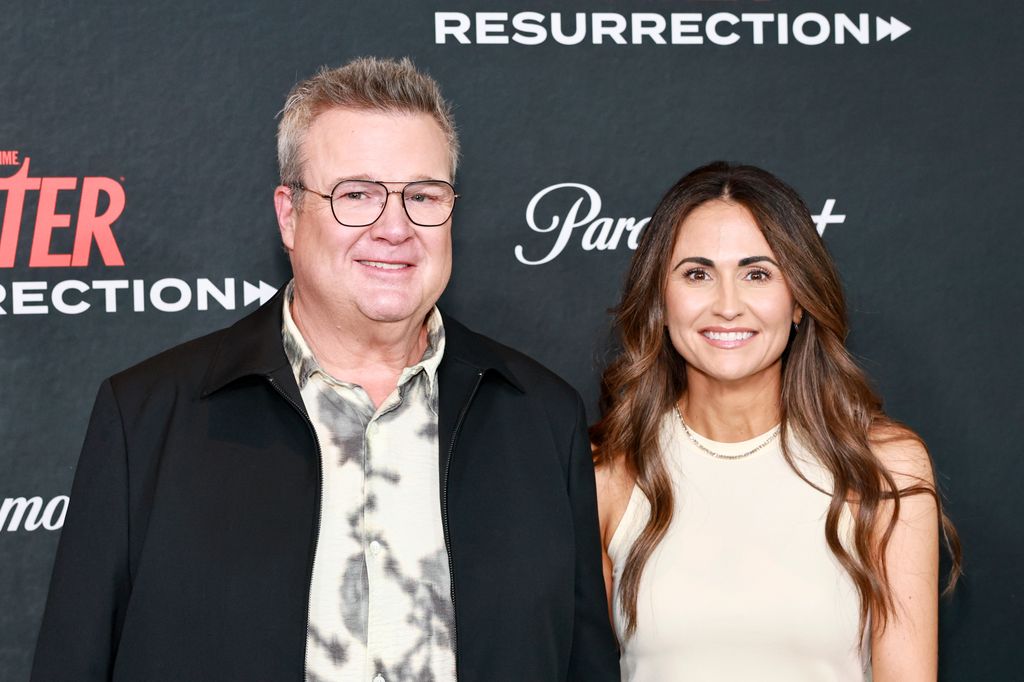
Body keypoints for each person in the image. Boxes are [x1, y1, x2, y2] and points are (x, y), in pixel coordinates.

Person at [32, 57, 619, 682]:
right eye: (356, 195)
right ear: (289, 215)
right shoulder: (148, 417)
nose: (394, 228)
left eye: (422, 196)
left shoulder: (540, 416)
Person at [591, 162, 961, 681]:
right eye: (698, 274)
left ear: (798, 302)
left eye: (757, 274)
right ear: (660, 300)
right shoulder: (608, 471)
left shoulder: (884, 466)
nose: (727, 305)